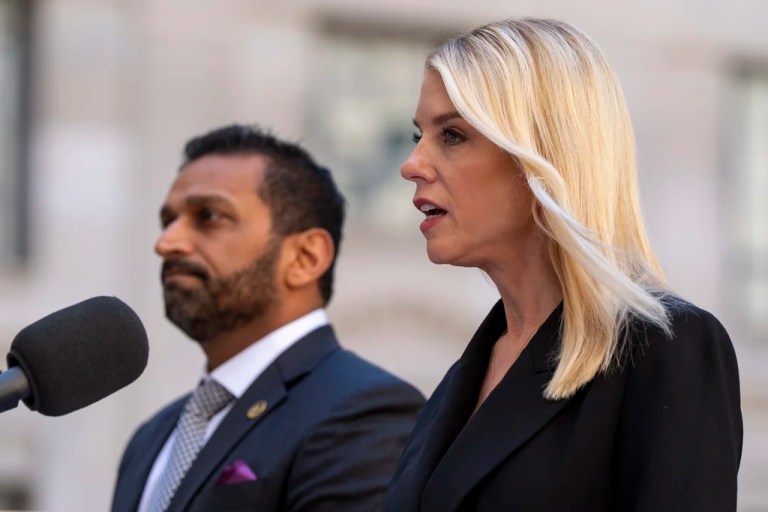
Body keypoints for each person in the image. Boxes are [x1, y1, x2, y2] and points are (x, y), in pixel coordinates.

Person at [385, 17, 742, 512]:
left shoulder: (666, 349)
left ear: (544, 153)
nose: (412, 164)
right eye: (417, 135)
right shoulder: (462, 378)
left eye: (453, 135)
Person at [111, 124, 425, 512]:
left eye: (208, 216)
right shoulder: (153, 438)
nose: (167, 243)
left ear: (305, 258)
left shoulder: (362, 411)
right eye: (168, 221)